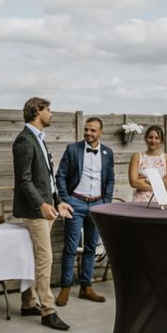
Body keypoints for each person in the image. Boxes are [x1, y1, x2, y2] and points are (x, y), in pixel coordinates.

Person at [12, 97, 74, 331]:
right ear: (38, 111)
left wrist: (58, 202)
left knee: (33, 255)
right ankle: (48, 309)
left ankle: (28, 303)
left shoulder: (37, 138)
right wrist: (41, 205)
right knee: (44, 258)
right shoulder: (24, 141)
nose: (52, 114)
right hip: (35, 212)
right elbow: (24, 180)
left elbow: (46, 178)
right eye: (49, 110)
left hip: (45, 211)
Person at [55, 117, 115, 306]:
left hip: (98, 205)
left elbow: (110, 179)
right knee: (71, 248)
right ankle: (65, 287)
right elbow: (61, 175)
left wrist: (106, 201)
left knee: (91, 247)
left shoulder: (108, 152)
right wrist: (66, 199)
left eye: (93, 130)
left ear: (101, 132)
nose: (89, 133)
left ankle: (86, 287)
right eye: (86, 130)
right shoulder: (73, 149)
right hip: (76, 203)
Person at [128, 125, 167, 202]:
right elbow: (133, 182)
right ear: (145, 138)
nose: (153, 141)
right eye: (150, 137)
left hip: (161, 201)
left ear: (161, 140)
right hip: (140, 201)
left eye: (157, 138)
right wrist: (160, 183)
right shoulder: (137, 157)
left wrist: (145, 181)